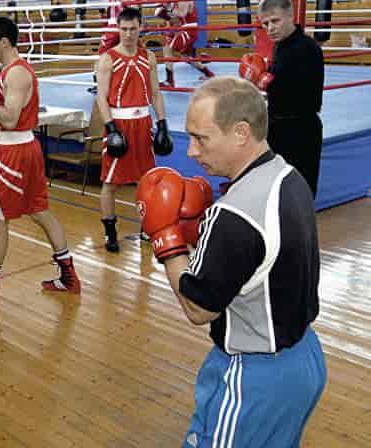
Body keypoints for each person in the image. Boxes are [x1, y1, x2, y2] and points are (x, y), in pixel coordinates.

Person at [136, 76, 326, 447]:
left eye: (201, 138)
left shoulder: (234, 214)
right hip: (304, 359)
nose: (192, 152)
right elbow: (257, 259)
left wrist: (166, 237)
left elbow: (199, 308)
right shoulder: (287, 176)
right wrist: (199, 233)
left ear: (241, 133)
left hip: (255, 378)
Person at [0, 17, 81, 307]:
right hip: (22, 149)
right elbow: (1, 114)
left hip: (16, 153)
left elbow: (9, 119)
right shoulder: (8, 71)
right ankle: (69, 276)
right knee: (40, 212)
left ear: (4, 41)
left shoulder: (18, 74)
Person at [96, 7, 174, 252]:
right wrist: (111, 128)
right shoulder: (108, 58)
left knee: (147, 181)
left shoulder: (148, 57)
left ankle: (146, 228)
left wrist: (163, 124)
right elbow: (101, 97)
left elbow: (156, 93)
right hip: (119, 123)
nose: (128, 34)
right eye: (124, 29)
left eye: (132, 29)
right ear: (118, 29)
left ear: (141, 28)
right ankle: (110, 232)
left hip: (143, 124)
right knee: (110, 183)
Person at [239, 0, 324, 198]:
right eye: (265, 24)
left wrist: (263, 80)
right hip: (278, 126)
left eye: (275, 21)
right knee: (276, 192)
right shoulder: (280, 47)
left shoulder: (307, 48)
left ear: (290, 16)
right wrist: (260, 80)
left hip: (300, 129)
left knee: (299, 193)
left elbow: (302, 95)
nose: (270, 28)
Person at [154, 1, 214, 87]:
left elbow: (182, 13)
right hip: (184, 29)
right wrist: (163, 13)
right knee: (185, 56)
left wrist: (167, 7)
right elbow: (177, 20)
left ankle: (169, 81)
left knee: (167, 49)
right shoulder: (176, 3)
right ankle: (209, 74)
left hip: (188, 30)